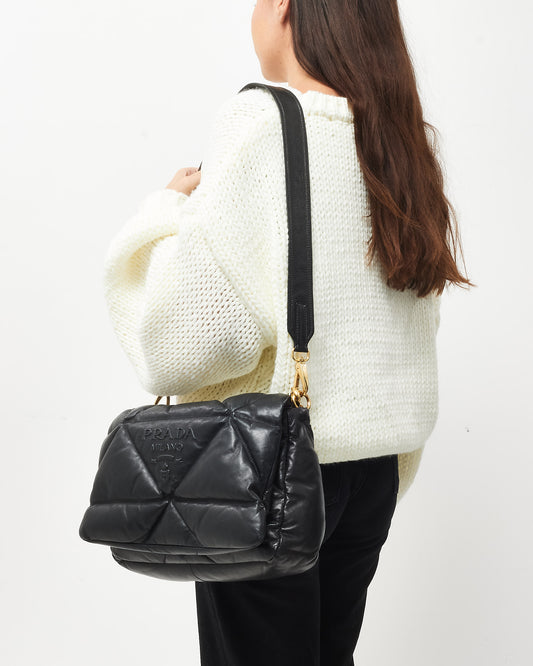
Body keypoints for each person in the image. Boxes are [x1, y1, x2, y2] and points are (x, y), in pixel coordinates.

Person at [102, 1, 474, 664]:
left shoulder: (261, 124)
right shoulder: (399, 139)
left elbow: (180, 346)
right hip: (373, 470)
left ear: (284, 7)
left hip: (269, 468)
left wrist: (163, 211)